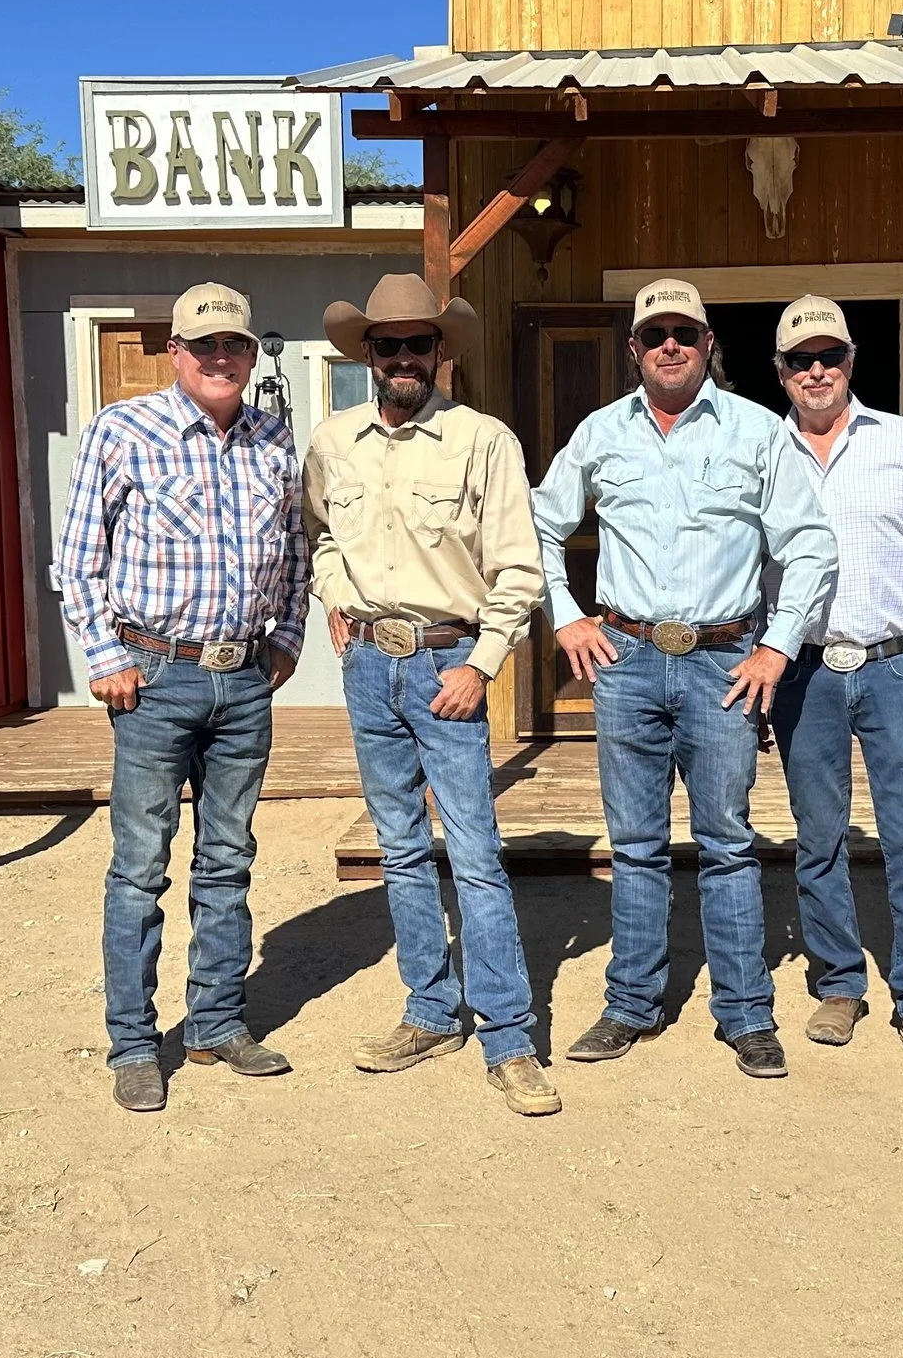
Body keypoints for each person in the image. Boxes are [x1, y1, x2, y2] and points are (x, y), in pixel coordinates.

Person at [531, 278, 837, 1080]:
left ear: (709, 346)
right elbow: (536, 522)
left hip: (721, 663)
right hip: (626, 659)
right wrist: (566, 613)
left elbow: (809, 543)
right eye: (656, 332)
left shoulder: (756, 431)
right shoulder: (599, 434)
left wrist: (776, 645)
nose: (671, 344)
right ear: (633, 348)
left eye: (686, 333)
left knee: (728, 842)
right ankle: (632, 1002)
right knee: (634, 845)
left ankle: (744, 1014)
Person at [304, 274, 558, 1116]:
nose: (404, 357)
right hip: (371, 665)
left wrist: (482, 663)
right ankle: (429, 1009)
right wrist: (336, 596)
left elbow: (520, 565)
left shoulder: (483, 440)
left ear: (441, 352)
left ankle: (509, 1035)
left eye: (419, 343)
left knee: (476, 854)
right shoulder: (333, 441)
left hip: (449, 662)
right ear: (366, 356)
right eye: (388, 344)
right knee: (401, 847)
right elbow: (320, 535)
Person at [55, 282, 309, 1113]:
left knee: (228, 859)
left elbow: (299, 554)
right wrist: (103, 653)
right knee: (139, 866)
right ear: (176, 352)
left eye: (235, 343)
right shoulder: (124, 430)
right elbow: (78, 555)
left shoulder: (274, 439)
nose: (221, 357)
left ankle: (216, 1021)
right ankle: (133, 1042)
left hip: (242, 680)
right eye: (204, 346)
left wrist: (286, 639)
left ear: (251, 351)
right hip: (154, 676)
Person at [765, 295, 903, 1075]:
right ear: (782, 372)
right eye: (799, 359)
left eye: (829, 356)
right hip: (807, 671)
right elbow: (754, 568)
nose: (815, 370)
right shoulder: (764, 450)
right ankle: (838, 983)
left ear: (852, 363)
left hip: (897, 663)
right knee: (817, 835)